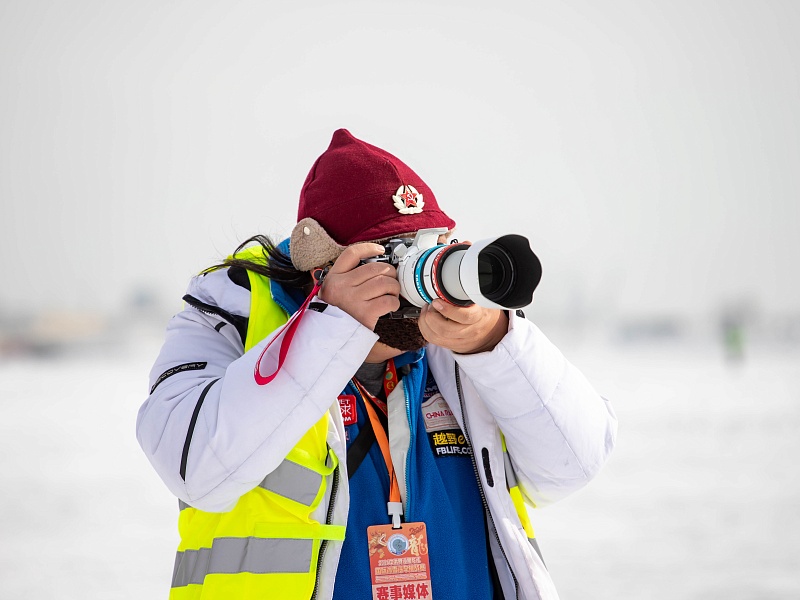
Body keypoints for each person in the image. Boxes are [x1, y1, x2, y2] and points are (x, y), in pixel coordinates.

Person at [136, 129, 617, 600]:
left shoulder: (464, 351)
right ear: (323, 265)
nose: (418, 283)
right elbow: (198, 470)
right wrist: (332, 327)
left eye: (429, 249)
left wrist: (495, 344)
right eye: (392, 256)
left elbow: (571, 467)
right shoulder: (231, 325)